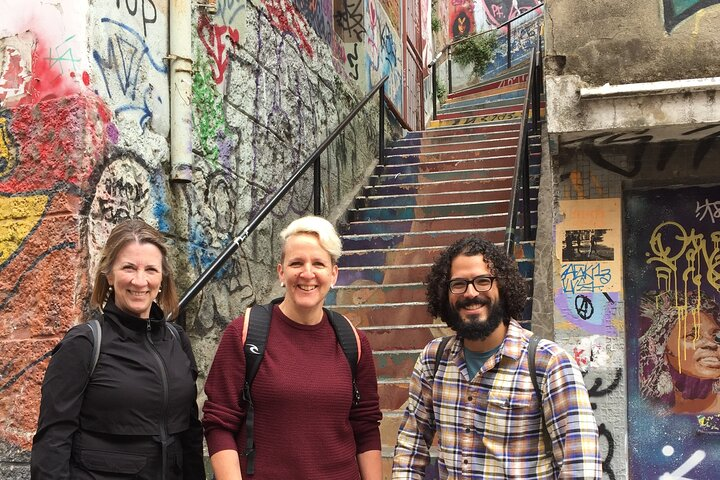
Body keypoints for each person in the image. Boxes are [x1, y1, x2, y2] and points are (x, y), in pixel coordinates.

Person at [392, 236, 601, 479]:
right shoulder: (433, 359)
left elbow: (580, 466)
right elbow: (411, 446)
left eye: (483, 281)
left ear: (502, 285)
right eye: (458, 284)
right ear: (444, 293)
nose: (470, 293)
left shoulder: (549, 363)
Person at [202, 215, 382, 479]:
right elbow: (219, 423)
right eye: (296, 263)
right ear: (281, 272)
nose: (307, 273)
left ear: (333, 274)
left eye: (318, 263)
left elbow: (365, 427)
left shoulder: (353, 341)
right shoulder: (244, 333)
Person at [31, 219, 205, 479]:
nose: (139, 280)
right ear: (109, 274)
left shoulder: (176, 340)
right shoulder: (84, 344)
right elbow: (53, 440)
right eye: (128, 268)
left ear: (162, 277)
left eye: (150, 270)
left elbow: (190, 433)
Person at [639, 290, 720, 414]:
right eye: (691, 336)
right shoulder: (651, 413)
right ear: (664, 347)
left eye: (716, 336)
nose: (712, 344)